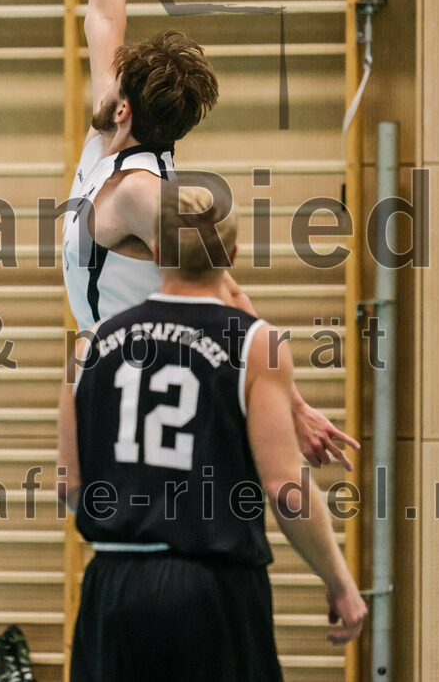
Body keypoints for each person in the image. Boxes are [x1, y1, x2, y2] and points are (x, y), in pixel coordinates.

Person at [63, 0, 357, 470]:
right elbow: (104, 19)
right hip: (118, 371)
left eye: (115, 81)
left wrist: (294, 402)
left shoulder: (140, 193)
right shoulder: (114, 145)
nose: (104, 74)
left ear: (125, 110)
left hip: (143, 379)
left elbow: (226, 290)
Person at [58, 181, 367, 681]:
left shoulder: (90, 344)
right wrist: (338, 581)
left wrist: (135, 512)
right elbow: (286, 489)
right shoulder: (255, 343)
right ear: (233, 253)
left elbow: (69, 486)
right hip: (211, 591)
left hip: (112, 591)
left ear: (154, 250)